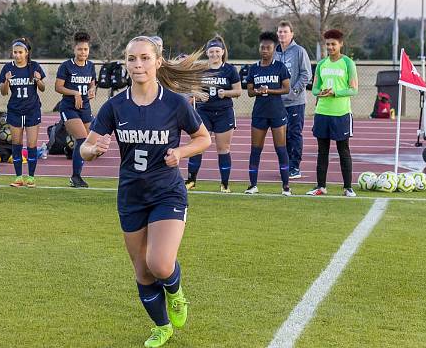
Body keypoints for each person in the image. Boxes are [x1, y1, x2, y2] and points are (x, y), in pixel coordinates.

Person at [80, 36, 211, 348]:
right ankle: (162, 327)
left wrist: (181, 153)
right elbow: (84, 147)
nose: (137, 65)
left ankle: (176, 294)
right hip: (131, 195)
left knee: (160, 263)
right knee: (142, 271)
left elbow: (203, 138)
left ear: (157, 62)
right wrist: (93, 149)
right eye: (131, 59)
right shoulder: (115, 106)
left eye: (144, 58)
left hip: (167, 193)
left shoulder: (175, 104)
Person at [185, 35, 242, 193]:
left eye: (217, 51)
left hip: (224, 112)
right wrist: (199, 95)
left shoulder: (230, 69)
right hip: (203, 112)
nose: (214, 54)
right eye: (211, 51)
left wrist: (227, 93)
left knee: (223, 148)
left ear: (222, 52)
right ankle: (191, 180)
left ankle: (224, 184)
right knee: (197, 146)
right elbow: (193, 89)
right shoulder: (201, 69)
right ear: (207, 53)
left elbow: (238, 91)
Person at [308, 29, 358, 197]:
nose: (330, 47)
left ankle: (348, 187)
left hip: (341, 113)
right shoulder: (322, 64)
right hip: (322, 112)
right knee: (322, 151)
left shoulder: (348, 63)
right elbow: (314, 88)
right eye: (327, 44)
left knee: (343, 150)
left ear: (341, 44)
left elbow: (353, 89)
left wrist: (335, 92)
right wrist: (319, 93)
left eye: (333, 44)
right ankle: (321, 187)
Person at [245, 31, 292, 195]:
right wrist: (258, 91)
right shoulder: (254, 68)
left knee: (281, 149)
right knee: (255, 149)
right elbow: (249, 92)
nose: (265, 50)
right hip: (259, 113)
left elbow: (286, 88)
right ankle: (253, 185)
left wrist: (270, 90)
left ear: (274, 49)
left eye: (268, 48)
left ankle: (286, 186)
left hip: (277, 112)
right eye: (262, 48)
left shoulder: (280, 67)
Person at [0, 38, 46, 188]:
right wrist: (6, 81)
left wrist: (38, 81)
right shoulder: (8, 68)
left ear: (26, 52)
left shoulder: (34, 66)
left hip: (32, 110)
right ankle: (18, 177)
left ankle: (31, 177)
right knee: (16, 144)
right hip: (15, 110)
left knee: (32, 145)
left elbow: (43, 88)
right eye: (15, 52)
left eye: (20, 52)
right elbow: (3, 92)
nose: (17, 55)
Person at [55, 32, 97, 188]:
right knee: (81, 138)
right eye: (80, 49)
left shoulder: (91, 66)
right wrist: (75, 93)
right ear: (74, 49)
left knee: (89, 141)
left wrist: (92, 90)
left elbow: (92, 83)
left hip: (85, 107)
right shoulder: (66, 66)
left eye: (85, 49)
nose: (83, 53)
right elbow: (58, 87)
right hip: (69, 108)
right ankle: (75, 177)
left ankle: (77, 172)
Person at [275, 20, 312, 179]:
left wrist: (294, 91)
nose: (282, 34)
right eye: (280, 32)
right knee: (281, 136)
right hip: (277, 103)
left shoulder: (299, 51)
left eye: (285, 32)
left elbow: (306, 74)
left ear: (292, 34)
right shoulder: (274, 53)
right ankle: (285, 165)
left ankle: (295, 167)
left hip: (295, 102)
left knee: (294, 134)